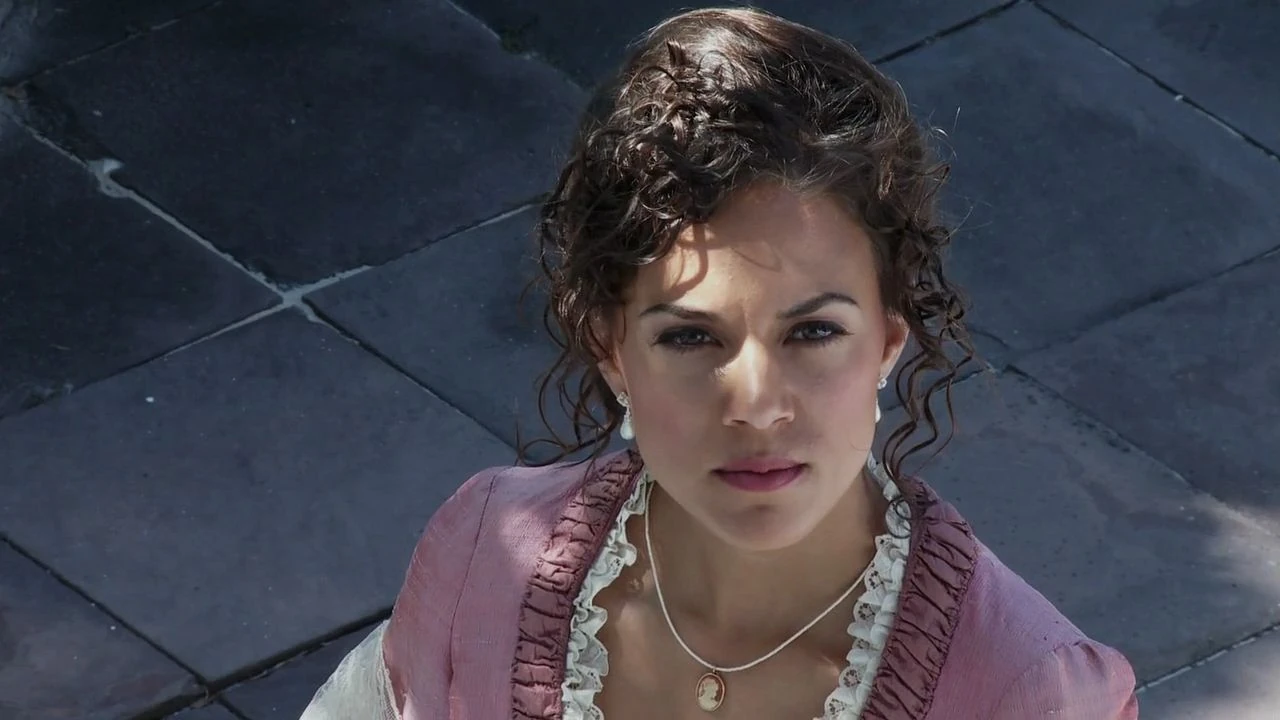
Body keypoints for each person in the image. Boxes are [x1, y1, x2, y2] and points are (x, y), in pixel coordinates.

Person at [302, 7, 1138, 719]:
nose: (757, 405)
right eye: (691, 337)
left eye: (812, 333)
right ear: (611, 350)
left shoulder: (1026, 690)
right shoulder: (485, 559)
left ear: (889, 340)